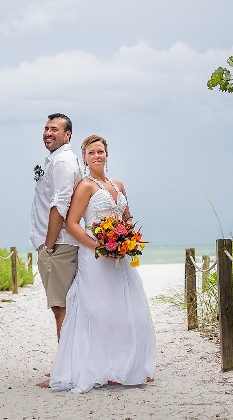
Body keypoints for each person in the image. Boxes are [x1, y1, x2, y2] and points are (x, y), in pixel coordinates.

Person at [45, 134, 156, 393]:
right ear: (84, 157)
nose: (97, 156)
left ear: (107, 154)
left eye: (101, 151)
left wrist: (127, 239)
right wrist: (101, 246)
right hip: (95, 257)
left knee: (128, 311)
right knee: (99, 310)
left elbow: (127, 216)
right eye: (92, 152)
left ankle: (127, 366)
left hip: (120, 257)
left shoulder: (118, 184)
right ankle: (99, 367)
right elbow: (72, 224)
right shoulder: (85, 186)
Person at [29, 113, 83, 345]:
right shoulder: (55, 160)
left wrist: (49, 247)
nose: (48, 133)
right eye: (46, 128)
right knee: (60, 307)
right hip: (54, 243)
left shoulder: (62, 162)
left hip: (58, 244)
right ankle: (68, 363)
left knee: (62, 307)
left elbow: (59, 207)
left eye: (54, 129)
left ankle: (65, 367)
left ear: (67, 134)